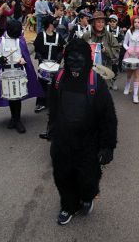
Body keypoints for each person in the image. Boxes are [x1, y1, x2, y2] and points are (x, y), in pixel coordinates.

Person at [45, 39, 117, 225]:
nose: (75, 63)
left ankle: (87, 196)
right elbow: (53, 106)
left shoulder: (97, 83)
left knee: (87, 178)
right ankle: (68, 206)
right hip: (63, 140)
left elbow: (108, 117)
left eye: (80, 59)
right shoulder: (58, 79)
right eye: (71, 59)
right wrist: (52, 129)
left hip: (88, 142)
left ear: (87, 59)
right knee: (62, 176)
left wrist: (107, 146)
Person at [0, 20, 43, 133]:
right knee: (12, 97)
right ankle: (14, 118)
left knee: (17, 98)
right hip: (7, 72)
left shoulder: (19, 40)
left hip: (18, 71)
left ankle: (17, 120)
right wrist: (0, 59)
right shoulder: (1, 41)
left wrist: (24, 60)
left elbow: (25, 56)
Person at [33, 16, 65, 112]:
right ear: (48, 24)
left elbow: (61, 49)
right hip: (43, 64)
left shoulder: (58, 36)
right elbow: (37, 49)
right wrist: (39, 56)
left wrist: (60, 56)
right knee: (42, 83)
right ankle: (40, 103)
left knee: (56, 84)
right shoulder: (40, 35)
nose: (54, 24)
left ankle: (54, 103)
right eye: (52, 22)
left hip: (55, 64)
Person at [123, 16, 139, 104]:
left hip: (138, 56)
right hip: (130, 55)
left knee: (137, 75)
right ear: (133, 23)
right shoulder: (129, 32)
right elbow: (125, 43)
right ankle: (127, 85)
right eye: (135, 22)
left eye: (138, 22)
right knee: (129, 73)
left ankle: (135, 95)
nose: (137, 24)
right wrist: (128, 49)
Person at [106, 14, 124, 90]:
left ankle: (113, 82)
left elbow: (123, 41)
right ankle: (106, 83)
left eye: (114, 21)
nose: (112, 23)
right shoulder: (105, 29)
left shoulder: (120, 30)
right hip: (105, 51)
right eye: (111, 21)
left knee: (114, 68)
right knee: (106, 67)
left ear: (117, 22)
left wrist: (116, 47)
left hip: (115, 52)